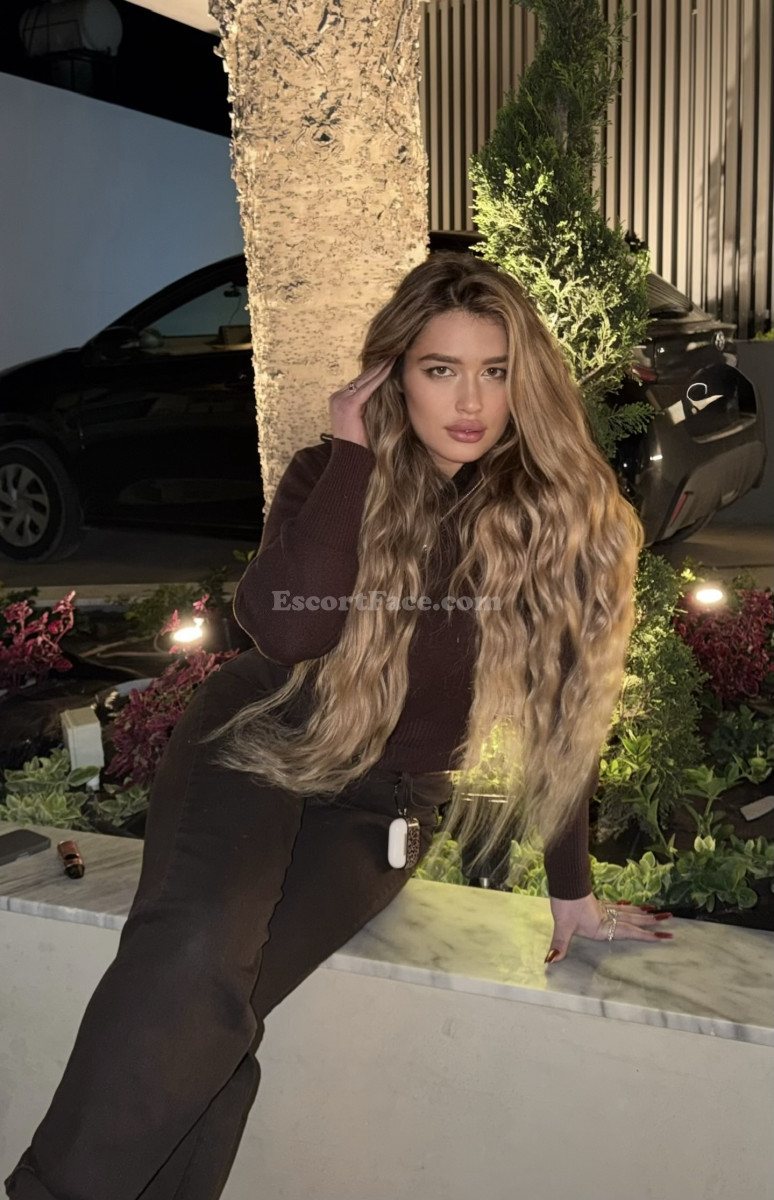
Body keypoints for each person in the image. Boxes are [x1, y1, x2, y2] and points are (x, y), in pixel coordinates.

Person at [5, 252, 674, 1200]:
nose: (470, 401)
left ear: (526, 379)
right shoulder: (332, 475)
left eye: (495, 370)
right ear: (395, 375)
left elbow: (567, 713)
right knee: (196, 954)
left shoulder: (559, 518)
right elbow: (288, 632)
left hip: (382, 807)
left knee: (217, 1015)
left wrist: (574, 892)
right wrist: (354, 457)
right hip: (257, 741)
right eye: (440, 368)